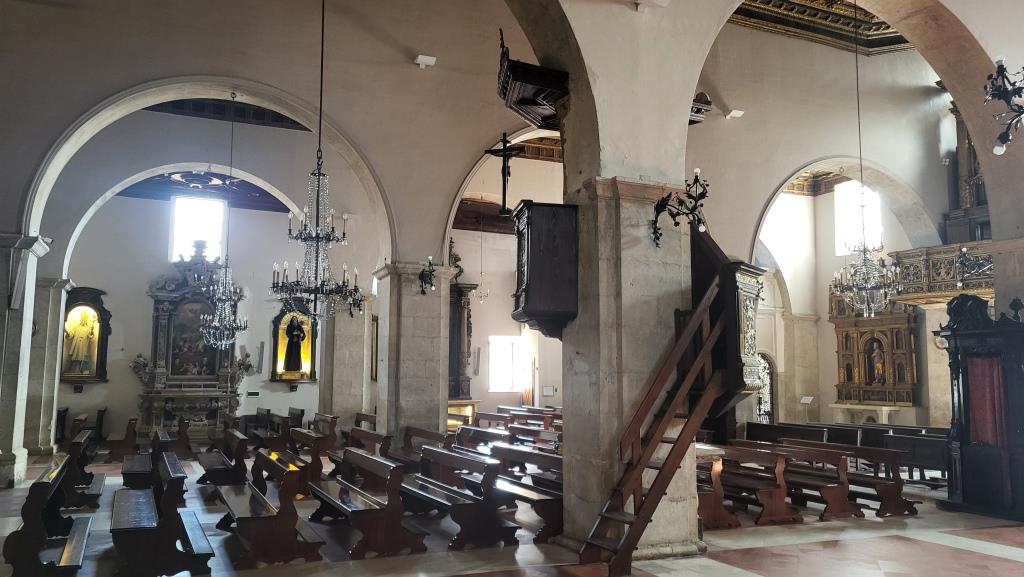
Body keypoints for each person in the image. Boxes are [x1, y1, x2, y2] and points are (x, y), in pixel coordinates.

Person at [64, 310, 96, 374]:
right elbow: (70, 335)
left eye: (84, 318)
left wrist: (92, 332)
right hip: (76, 346)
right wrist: (67, 333)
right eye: (82, 318)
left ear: (86, 319)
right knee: (75, 358)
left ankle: (82, 371)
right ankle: (74, 371)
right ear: (80, 319)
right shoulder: (76, 327)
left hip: (84, 346)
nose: (83, 319)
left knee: (82, 358)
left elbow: (91, 337)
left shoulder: (88, 329)